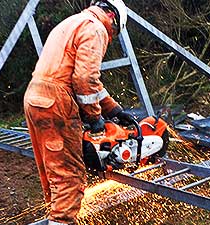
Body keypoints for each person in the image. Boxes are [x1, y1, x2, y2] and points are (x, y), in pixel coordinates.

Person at [23, 1, 133, 224]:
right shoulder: (96, 28)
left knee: (53, 173)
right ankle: (61, 221)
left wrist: (114, 109)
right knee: (69, 176)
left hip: (34, 97)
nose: (111, 35)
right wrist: (94, 117)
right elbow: (85, 79)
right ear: (111, 16)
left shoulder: (72, 22)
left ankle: (55, 215)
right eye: (114, 30)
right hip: (57, 101)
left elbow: (86, 80)